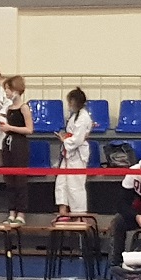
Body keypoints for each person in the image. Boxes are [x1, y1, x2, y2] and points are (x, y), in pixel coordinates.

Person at [0, 75, 32, 225]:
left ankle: (21, 212)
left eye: (8, 89)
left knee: (20, 179)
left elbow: (29, 129)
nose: (6, 92)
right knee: (9, 179)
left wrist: (10, 128)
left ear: (16, 90)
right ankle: (11, 211)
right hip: (8, 142)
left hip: (19, 143)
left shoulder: (24, 108)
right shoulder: (9, 108)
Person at [55, 88, 93, 219]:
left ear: (75, 102)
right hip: (69, 154)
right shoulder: (75, 116)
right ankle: (63, 212)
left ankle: (79, 215)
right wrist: (65, 138)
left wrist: (64, 140)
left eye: (70, 102)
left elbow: (77, 139)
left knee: (75, 185)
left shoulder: (83, 117)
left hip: (77, 155)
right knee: (62, 182)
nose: (69, 105)